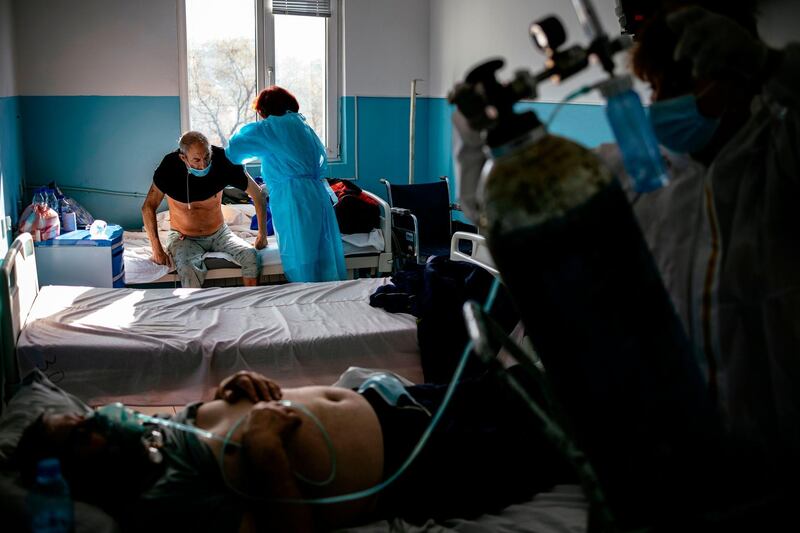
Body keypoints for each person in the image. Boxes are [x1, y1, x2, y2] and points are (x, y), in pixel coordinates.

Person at [14, 368, 573, 532]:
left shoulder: (151, 436)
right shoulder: (160, 500)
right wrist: (265, 449)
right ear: (68, 478)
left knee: (541, 383)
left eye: (85, 416)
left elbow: (209, 425)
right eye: (81, 436)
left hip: (400, 402)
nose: (98, 426)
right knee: (574, 432)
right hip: (423, 459)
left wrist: (229, 390)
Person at [226, 86, 347, 283]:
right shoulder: (303, 127)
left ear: (264, 111)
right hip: (316, 194)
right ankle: (328, 300)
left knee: (300, 254)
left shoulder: (271, 128)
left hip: (293, 198)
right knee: (321, 253)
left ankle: (306, 298)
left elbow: (234, 152)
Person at [142, 131, 268, 288]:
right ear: (183, 158)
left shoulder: (223, 161)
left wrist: (262, 235)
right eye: (196, 160)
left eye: (207, 157)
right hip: (184, 237)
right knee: (187, 268)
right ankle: (195, 309)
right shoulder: (169, 167)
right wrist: (157, 249)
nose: (203, 164)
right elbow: (148, 207)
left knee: (251, 256)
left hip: (220, 233)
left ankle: (250, 304)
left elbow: (258, 194)